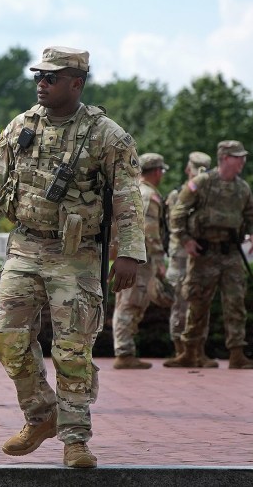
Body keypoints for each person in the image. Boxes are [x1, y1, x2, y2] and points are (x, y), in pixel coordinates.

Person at [0, 46, 146, 470]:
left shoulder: (107, 135)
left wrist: (130, 253)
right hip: (24, 247)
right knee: (8, 338)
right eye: (38, 76)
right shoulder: (20, 126)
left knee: (72, 349)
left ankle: (75, 439)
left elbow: (128, 198)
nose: (41, 84)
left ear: (76, 84)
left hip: (76, 254)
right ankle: (42, 415)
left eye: (51, 78)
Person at [166, 140, 253, 369]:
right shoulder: (202, 182)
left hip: (231, 254)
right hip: (204, 252)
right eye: (238, 157)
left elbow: (252, 216)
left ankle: (237, 354)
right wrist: (186, 240)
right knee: (197, 302)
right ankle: (190, 352)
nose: (243, 161)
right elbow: (178, 213)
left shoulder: (243, 188)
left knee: (236, 303)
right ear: (225, 158)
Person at [110, 152, 168, 369]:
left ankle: (125, 350)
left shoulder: (134, 190)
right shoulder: (149, 195)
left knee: (127, 302)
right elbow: (150, 231)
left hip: (130, 255)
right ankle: (124, 353)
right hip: (140, 258)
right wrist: (159, 260)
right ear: (157, 172)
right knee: (132, 303)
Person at [163, 151, 216, 367]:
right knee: (181, 302)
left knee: (201, 302)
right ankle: (181, 351)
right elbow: (174, 225)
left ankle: (198, 351)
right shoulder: (178, 195)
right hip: (182, 255)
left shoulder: (211, 196)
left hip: (203, 255)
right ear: (188, 170)